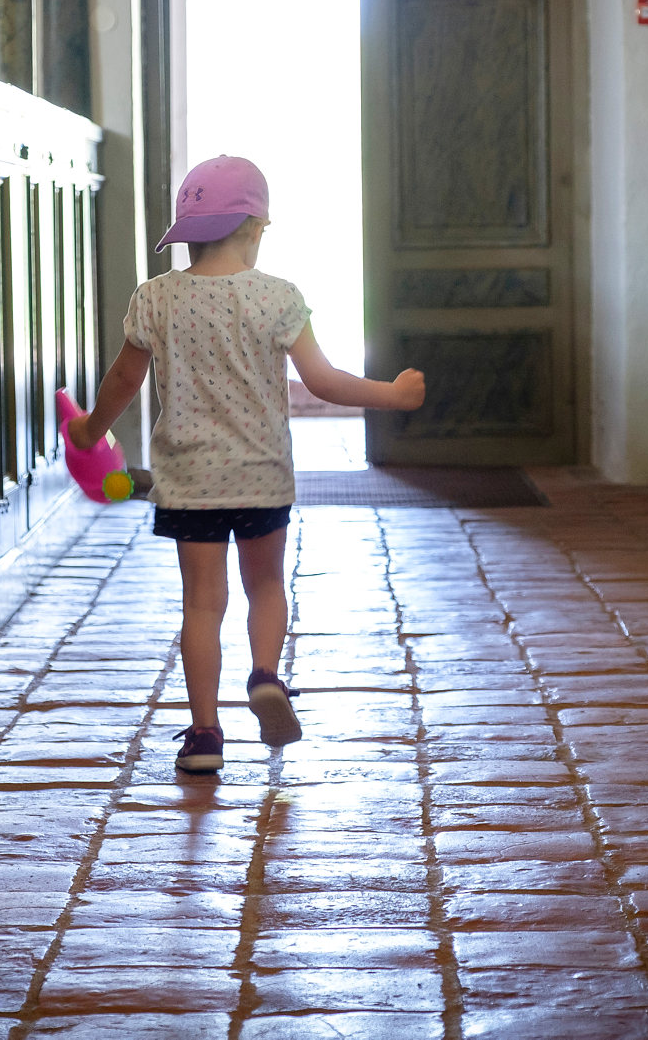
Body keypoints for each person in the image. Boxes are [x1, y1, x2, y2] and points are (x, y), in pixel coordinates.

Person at [63, 156, 426, 773]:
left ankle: (205, 736)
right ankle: (264, 675)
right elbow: (324, 381)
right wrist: (391, 394)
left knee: (202, 604)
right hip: (260, 476)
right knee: (264, 585)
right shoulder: (279, 297)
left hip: (188, 481)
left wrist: (90, 430)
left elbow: (126, 377)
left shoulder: (156, 296)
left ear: (188, 234)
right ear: (256, 228)